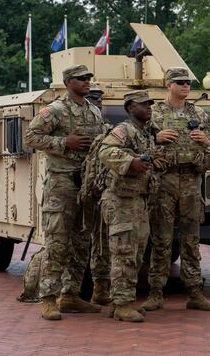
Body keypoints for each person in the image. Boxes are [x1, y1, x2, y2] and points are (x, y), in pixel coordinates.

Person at [24, 64, 105, 321]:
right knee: (58, 243)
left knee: (82, 242)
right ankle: (48, 298)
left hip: (86, 185)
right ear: (69, 82)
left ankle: (71, 295)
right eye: (81, 79)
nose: (87, 82)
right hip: (61, 185)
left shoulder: (93, 111)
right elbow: (31, 137)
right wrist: (63, 142)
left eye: (88, 78)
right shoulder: (55, 111)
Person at [141, 67, 210, 312]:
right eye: (181, 82)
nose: (186, 86)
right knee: (161, 239)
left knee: (191, 240)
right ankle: (155, 292)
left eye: (188, 82)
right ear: (169, 85)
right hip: (164, 181)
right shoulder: (153, 113)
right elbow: (137, 144)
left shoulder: (200, 114)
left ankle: (195, 292)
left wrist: (206, 142)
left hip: (191, 181)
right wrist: (156, 138)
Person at [98, 90, 157, 322]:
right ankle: (122, 304)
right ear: (131, 107)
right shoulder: (124, 130)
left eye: (150, 104)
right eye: (144, 105)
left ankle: (118, 301)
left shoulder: (145, 133)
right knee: (123, 253)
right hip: (120, 201)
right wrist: (130, 162)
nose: (149, 108)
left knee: (137, 253)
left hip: (138, 200)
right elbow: (105, 151)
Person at [82, 81, 112, 305]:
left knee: (101, 240)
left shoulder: (107, 130)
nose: (97, 103)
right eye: (93, 99)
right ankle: (74, 289)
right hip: (79, 189)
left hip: (103, 192)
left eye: (99, 100)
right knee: (80, 239)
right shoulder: (74, 123)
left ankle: (100, 288)